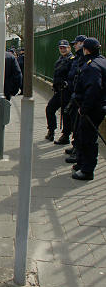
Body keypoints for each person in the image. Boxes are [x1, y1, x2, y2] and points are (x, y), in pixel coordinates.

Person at [70, 37, 106, 180]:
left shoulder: (92, 66)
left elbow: (93, 90)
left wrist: (84, 108)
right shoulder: (101, 61)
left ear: (86, 50)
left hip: (92, 109)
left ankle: (87, 170)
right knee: (82, 135)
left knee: (88, 139)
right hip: (97, 106)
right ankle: (82, 163)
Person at [45, 40, 74, 144]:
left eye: (64, 47)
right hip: (59, 91)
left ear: (69, 48)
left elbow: (72, 75)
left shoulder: (72, 60)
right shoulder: (61, 59)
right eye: (61, 47)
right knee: (50, 108)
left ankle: (65, 136)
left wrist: (66, 83)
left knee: (65, 113)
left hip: (67, 91)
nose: (62, 49)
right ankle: (51, 131)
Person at [63, 35, 87, 163]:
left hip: (79, 97)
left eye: (76, 43)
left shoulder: (83, 58)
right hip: (73, 94)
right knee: (74, 122)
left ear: (82, 43)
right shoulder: (78, 57)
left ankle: (78, 151)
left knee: (78, 126)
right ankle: (75, 146)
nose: (74, 46)